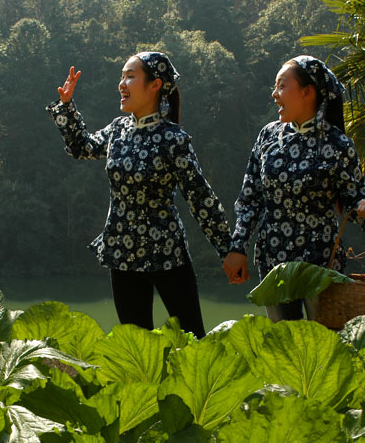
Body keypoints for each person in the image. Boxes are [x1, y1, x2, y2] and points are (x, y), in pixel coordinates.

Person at [47, 52, 232, 339]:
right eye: (122, 76)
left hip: (167, 252)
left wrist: (227, 249)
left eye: (130, 76)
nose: (122, 83)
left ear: (155, 85)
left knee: (193, 338)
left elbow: (200, 197)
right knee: (136, 346)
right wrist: (67, 105)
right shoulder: (118, 130)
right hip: (123, 253)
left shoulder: (173, 138)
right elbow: (81, 147)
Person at [222, 55, 365, 322]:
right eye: (275, 86)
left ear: (308, 92)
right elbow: (250, 199)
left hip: (321, 264)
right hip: (274, 261)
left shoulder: (337, 144)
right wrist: (238, 247)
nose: (274, 94)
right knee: (283, 348)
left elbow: (356, 199)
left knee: (326, 345)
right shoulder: (267, 137)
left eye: (282, 86)